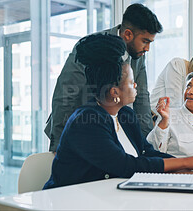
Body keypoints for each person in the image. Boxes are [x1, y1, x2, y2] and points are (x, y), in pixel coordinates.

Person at [43, 34, 193, 190]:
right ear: (114, 92)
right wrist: (188, 162)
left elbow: (147, 152)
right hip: (68, 201)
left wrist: (187, 166)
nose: (136, 85)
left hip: (110, 199)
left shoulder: (125, 115)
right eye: (131, 82)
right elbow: (126, 166)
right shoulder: (86, 121)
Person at [45, 3, 159, 152]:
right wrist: (59, 145)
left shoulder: (138, 55)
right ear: (128, 35)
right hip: (77, 128)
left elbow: (142, 97)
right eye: (145, 41)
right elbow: (65, 94)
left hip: (109, 129)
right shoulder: (91, 46)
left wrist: (144, 145)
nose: (147, 48)